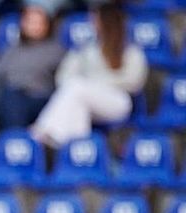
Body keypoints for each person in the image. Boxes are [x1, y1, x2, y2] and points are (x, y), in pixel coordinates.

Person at [30, 1, 146, 148]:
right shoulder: (86, 50)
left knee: (78, 87)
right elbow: (63, 78)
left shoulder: (131, 52)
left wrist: (95, 83)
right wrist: (91, 85)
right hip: (87, 99)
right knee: (78, 103)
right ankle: (75, 148)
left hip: (119, 102)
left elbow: (134, 82)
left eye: (95, 20)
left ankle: (41, 131)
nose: (93, 24)